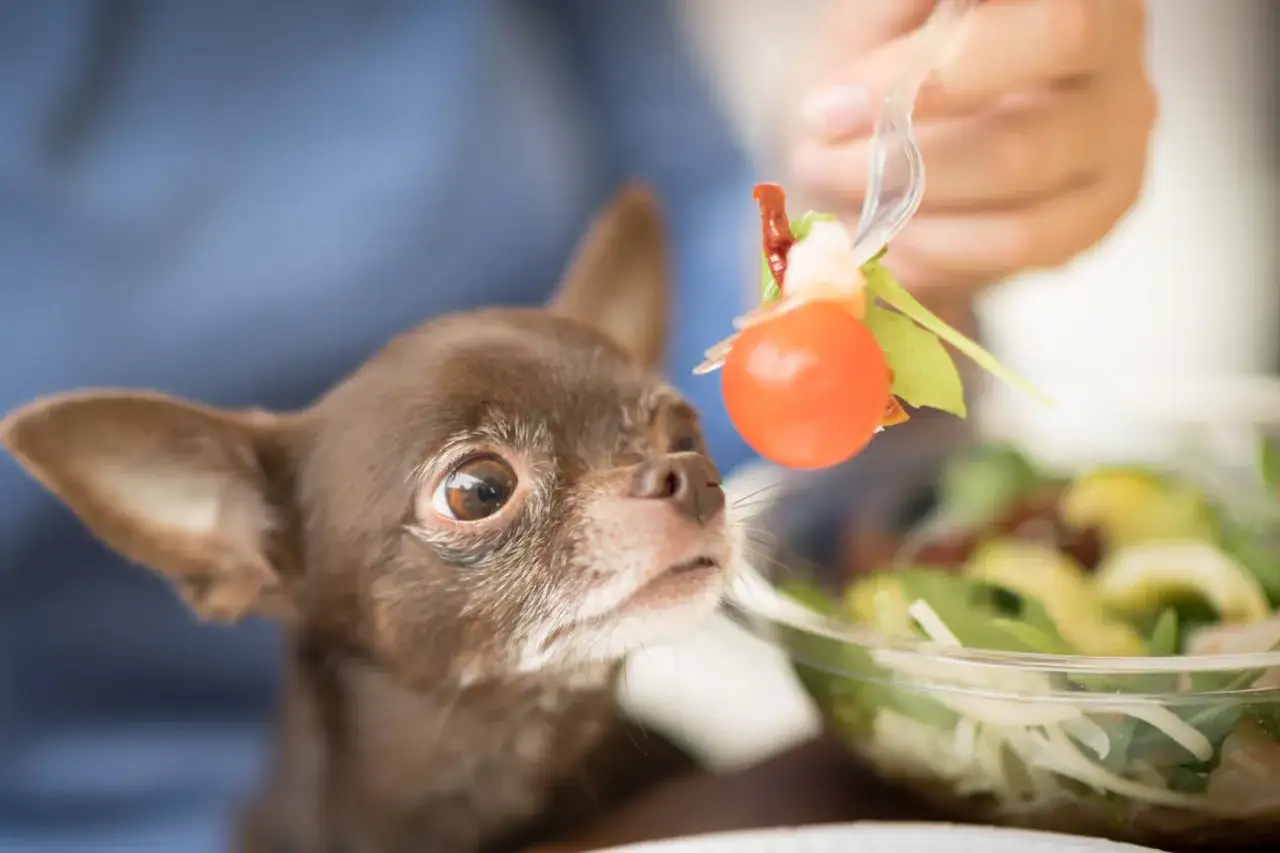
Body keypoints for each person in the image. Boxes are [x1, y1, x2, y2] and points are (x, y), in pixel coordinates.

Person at [0, 1, 1155, 851]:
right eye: (478, 491)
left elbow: (728, 301)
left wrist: (871, 234)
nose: (670, 480)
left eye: (666, 442)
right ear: (237, 546)